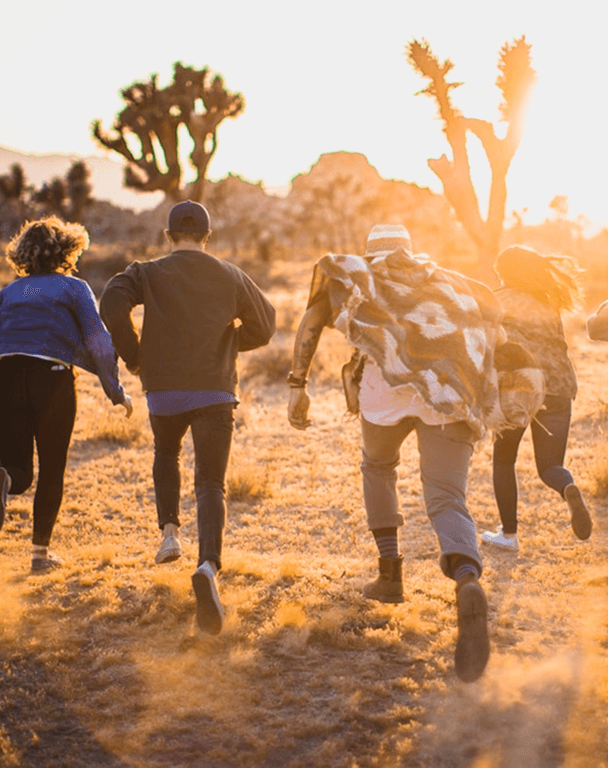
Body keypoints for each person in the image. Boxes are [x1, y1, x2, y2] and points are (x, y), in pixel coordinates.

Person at [288, 224, 508, 683]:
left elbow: (311, 322)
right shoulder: (448, 281)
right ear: (411, 250)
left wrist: (297, 385)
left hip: (382, 397)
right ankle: (467, 576)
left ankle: (390, 577)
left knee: (379, 469)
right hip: (444, 395)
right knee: (447, 496)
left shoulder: (359, 278)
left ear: (370, 253)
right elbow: (495, 317)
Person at [100, 200, 275, 635]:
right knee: (211, 482)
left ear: (169, 235)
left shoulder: (146, 272)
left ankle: (169, 535)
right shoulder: (230, 274)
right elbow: (266, 324)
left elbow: (110, 305)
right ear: (207, 237)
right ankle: (209, 566)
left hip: (164, 391)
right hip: (215, 389)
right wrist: (231, 342)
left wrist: (136, 354)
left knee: (166, 452)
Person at [0, 216, 132, 571]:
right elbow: (98, 341)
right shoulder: (72, 288)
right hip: (51, 377)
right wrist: (115, 390)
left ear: (24, 252)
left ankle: (5, 480)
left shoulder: (14, 290)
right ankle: (40, 556)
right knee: (51, 468)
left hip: (6, 375)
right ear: (67, 249)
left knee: (16, 470)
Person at [481, 245, 592, 551]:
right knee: (550, 466)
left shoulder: (497, 299)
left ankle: (509, 535)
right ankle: (567, 486)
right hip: (558, 386)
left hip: (519, 387)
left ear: (506, 272)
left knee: (504, 459)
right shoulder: (548, 303)